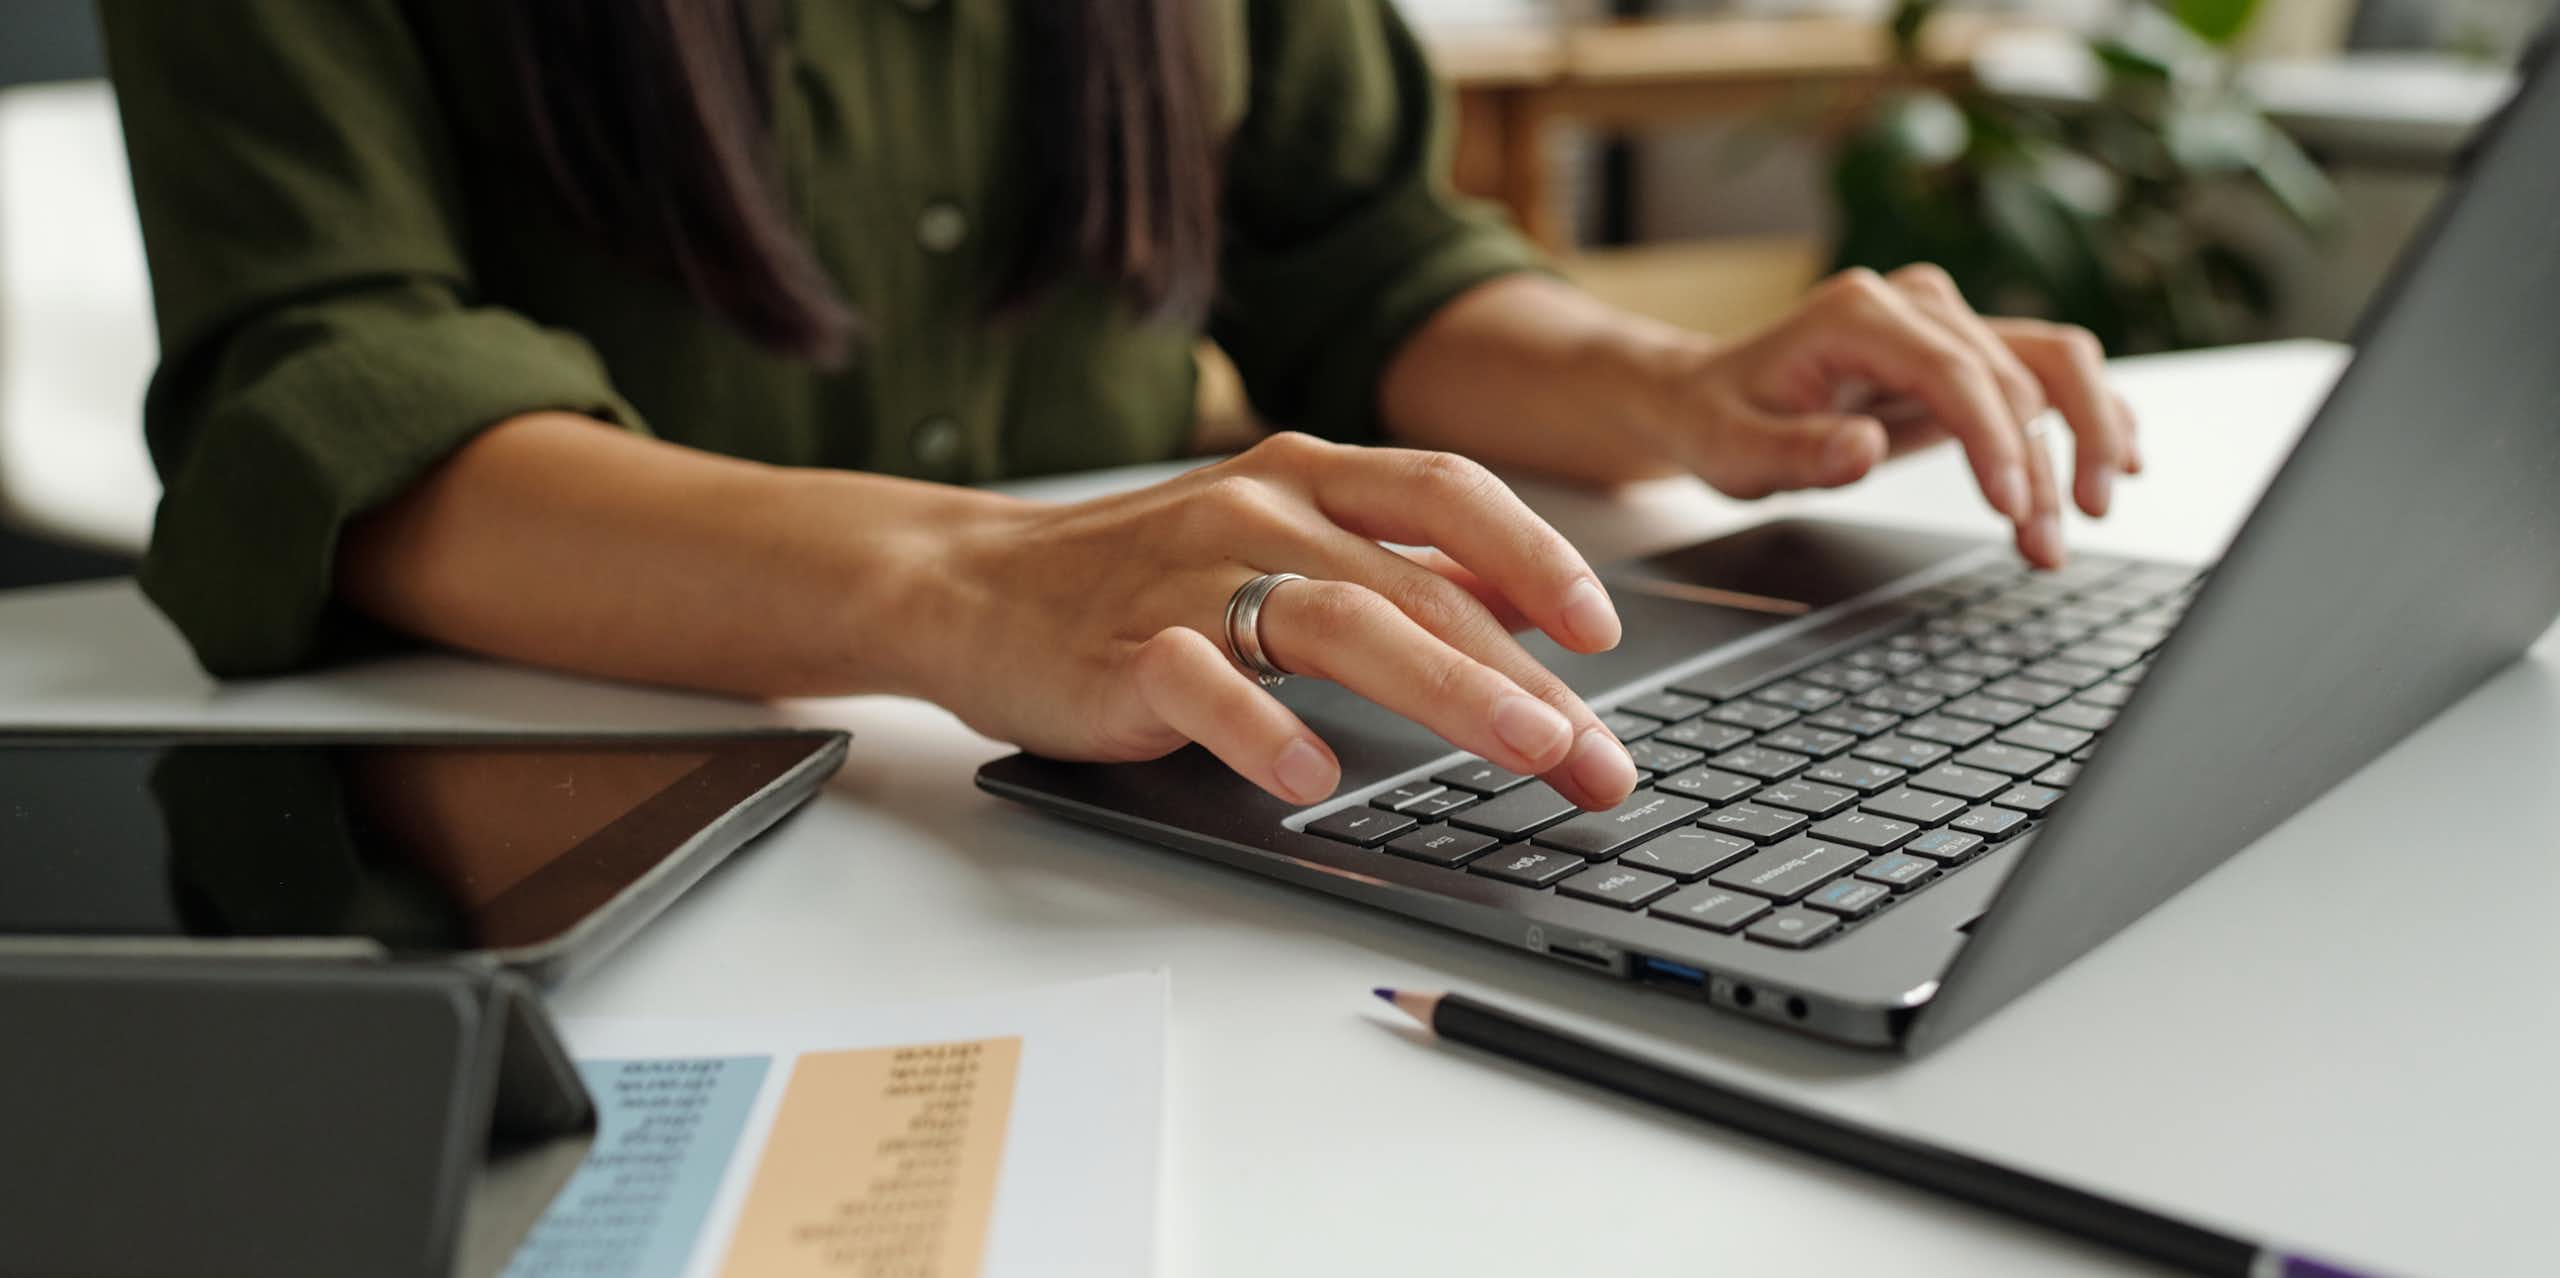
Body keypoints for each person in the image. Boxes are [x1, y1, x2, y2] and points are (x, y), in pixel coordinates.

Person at [100, 0, 2137, 818]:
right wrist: (970, 580)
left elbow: (1359, 248)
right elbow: (331, 398)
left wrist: (1672, 385)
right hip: (564, 813)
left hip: (1131, 806)